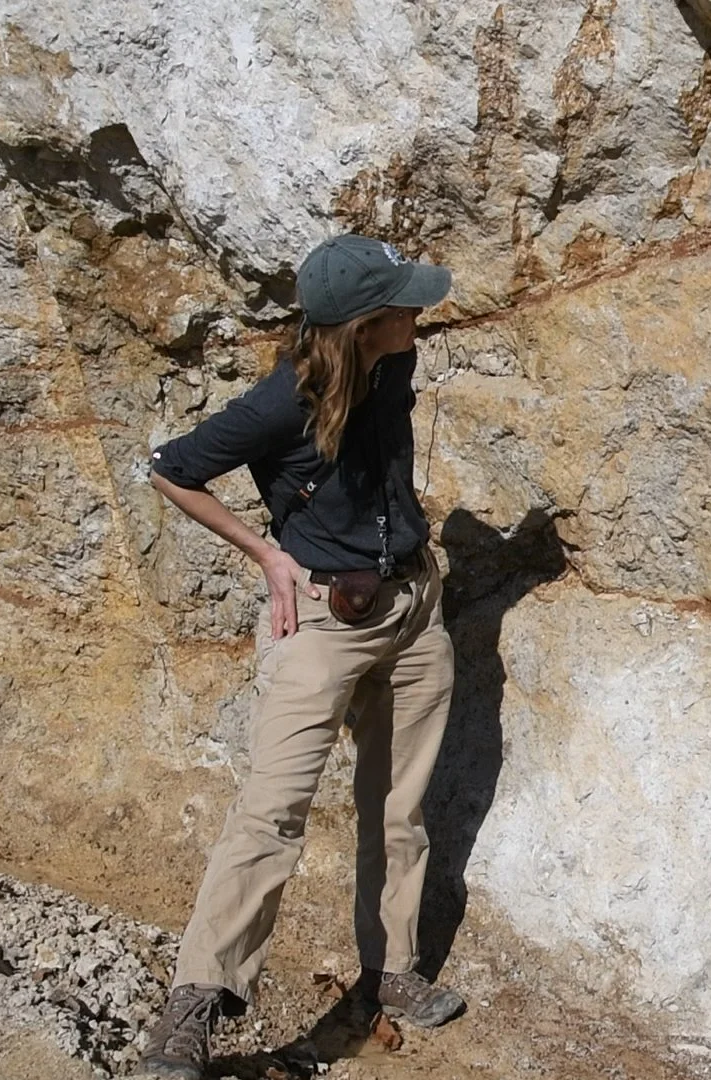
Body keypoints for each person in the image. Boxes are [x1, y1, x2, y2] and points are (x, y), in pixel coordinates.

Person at [138, 234, 466, 1079]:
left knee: (400, 806)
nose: (420, 312)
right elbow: (173, 472)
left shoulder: (391, 362)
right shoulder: (278, 403)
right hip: (323, 622)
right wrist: (267, 553)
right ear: (365, 324)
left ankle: (390, 971)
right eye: (404, 303)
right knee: (271, 810)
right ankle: (196, 1002)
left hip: (414, 608)